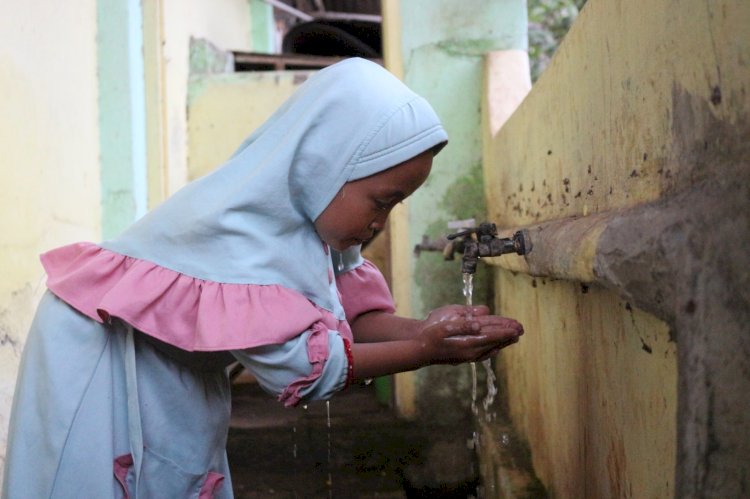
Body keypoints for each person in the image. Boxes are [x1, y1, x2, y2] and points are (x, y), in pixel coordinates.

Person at [2, 57, 523, 498]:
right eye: (381, 202)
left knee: (175, 468)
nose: (380, 224)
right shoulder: (243, 236)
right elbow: (310, 369)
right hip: (98, 359)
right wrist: (428, 350)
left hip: (163, 370)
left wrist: (426, 331)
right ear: (324, 166)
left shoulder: (310, 226)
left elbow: (351, 322)